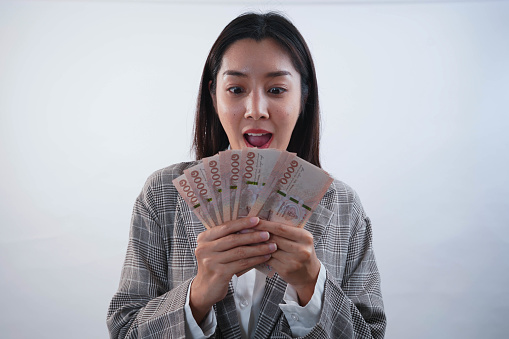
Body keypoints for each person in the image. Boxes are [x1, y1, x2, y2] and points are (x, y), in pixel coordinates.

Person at [107, 12, 386, 338]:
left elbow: (371, 334)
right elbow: (124, 331)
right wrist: (197, 296)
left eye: (277, 89)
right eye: (236, 88)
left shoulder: (343, 207)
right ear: (214, 95)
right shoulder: (162, 196)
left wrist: (312, 284)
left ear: (303, 97)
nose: (256, 109)